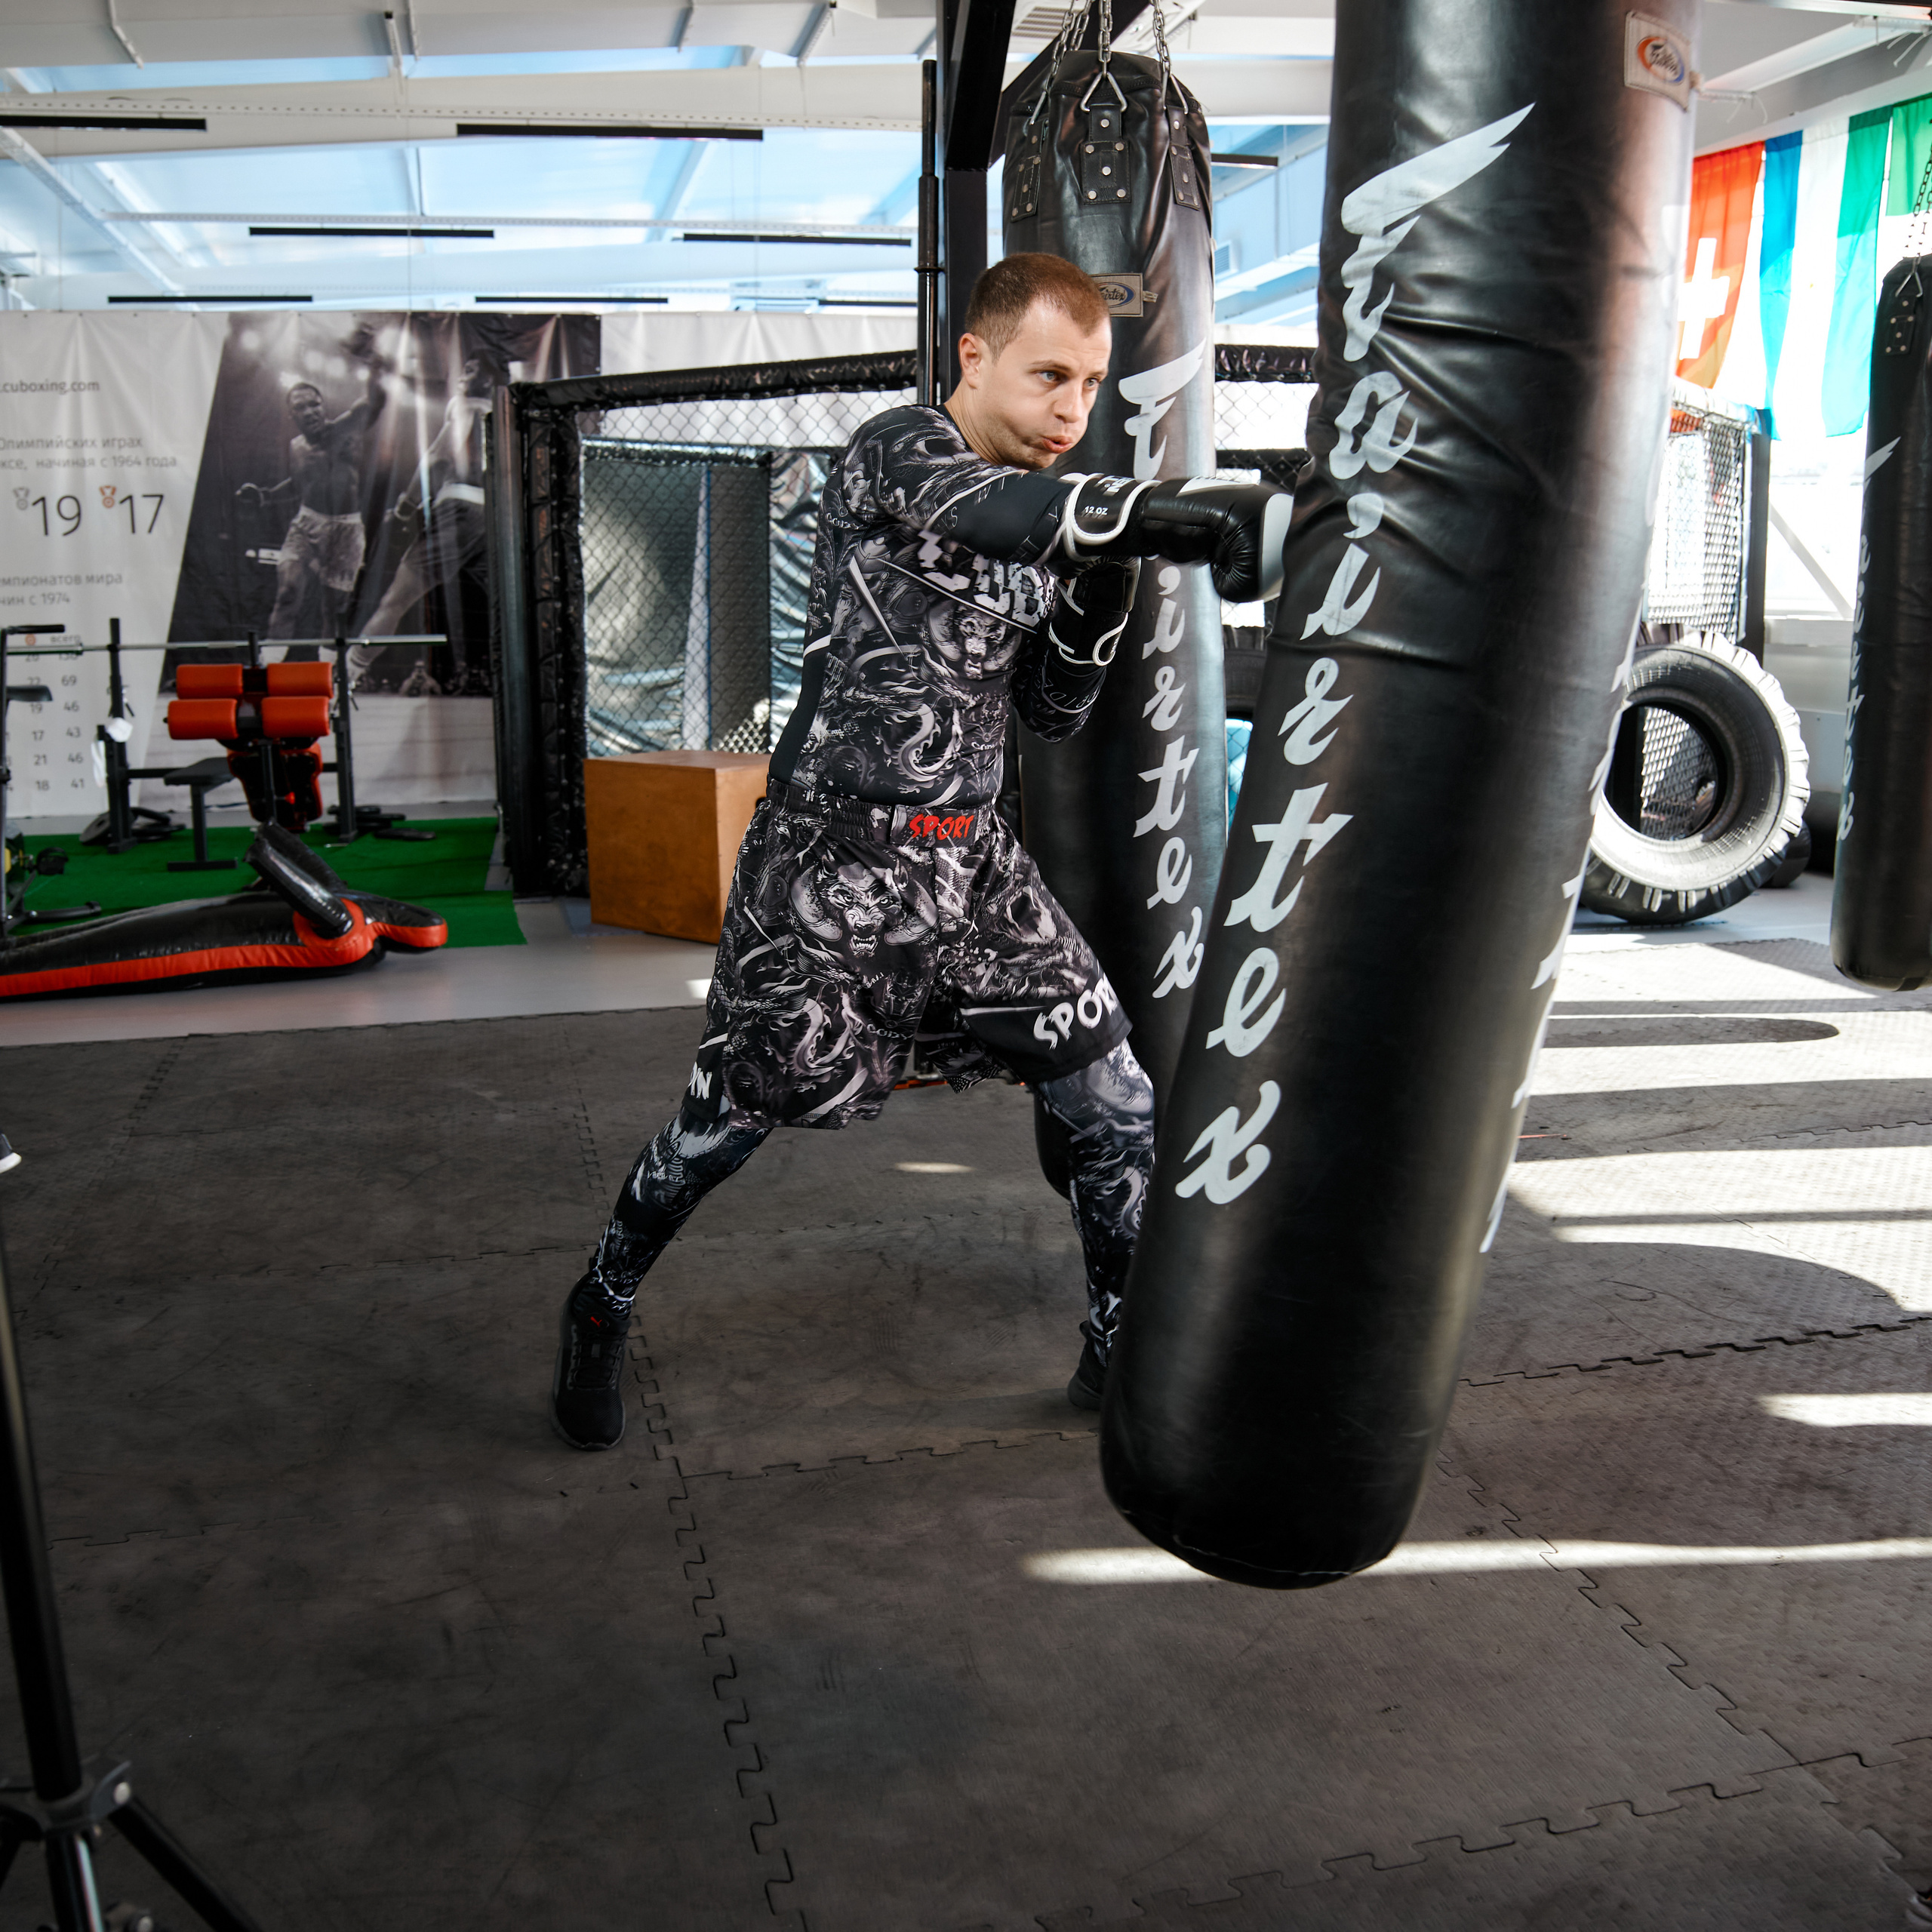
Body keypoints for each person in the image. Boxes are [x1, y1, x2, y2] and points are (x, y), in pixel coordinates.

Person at [551, 252, 1287, 1451]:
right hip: (830, 868)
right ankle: (603, 1297)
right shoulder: (897, 453)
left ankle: (1118, 1344)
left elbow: (1048, 710)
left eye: (1094, 384)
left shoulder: (1054, 517)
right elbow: (986, 512)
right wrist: (1159, 516)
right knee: (728, 1121)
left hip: (978, 872)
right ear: (974, 356)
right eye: (1050, 374)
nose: (1072, 409)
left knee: (1116, 1102)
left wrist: (1101, 589)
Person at [351, 349, 497, 694]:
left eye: (471, 367)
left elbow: (436, 459)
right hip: (493, 518)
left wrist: (406, 507)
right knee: (509, 610)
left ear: (487, 380)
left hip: (459, 507)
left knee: (395, 601)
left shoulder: (465, 408)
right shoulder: (504, 418)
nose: (463, 374)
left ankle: (347, 676)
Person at [235, 324, 391, 642]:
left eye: (314, 404)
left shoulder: (345, 431)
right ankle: (270, 669)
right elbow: (298, 484)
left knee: (334, 611)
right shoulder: (296, 447)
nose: (310, 411)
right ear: (293, 415)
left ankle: (332, 679)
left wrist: (374, 362)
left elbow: (376, 400)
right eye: (301, 407)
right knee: (288, 592)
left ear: (323, 406)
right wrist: (264, 496)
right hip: (307, 524)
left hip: (346, 529)